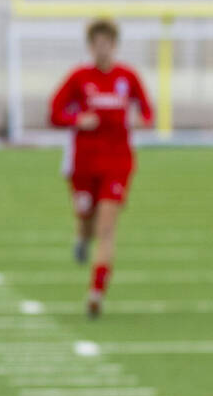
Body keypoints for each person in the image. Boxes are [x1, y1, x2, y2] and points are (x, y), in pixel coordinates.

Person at [49, 18, 153, 318]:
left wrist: (140, 120)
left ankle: (96, 293)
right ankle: (81, 237)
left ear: (114, 45)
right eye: (97, 43)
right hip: (83, 164)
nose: (102, 48)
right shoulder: (79, 78)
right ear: (91, 46)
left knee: (107, 228)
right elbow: (54, 112)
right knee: (87, 222)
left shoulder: (127, 77)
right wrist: (77, 120)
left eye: (107, 42)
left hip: (118, 163)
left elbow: (146, 111)